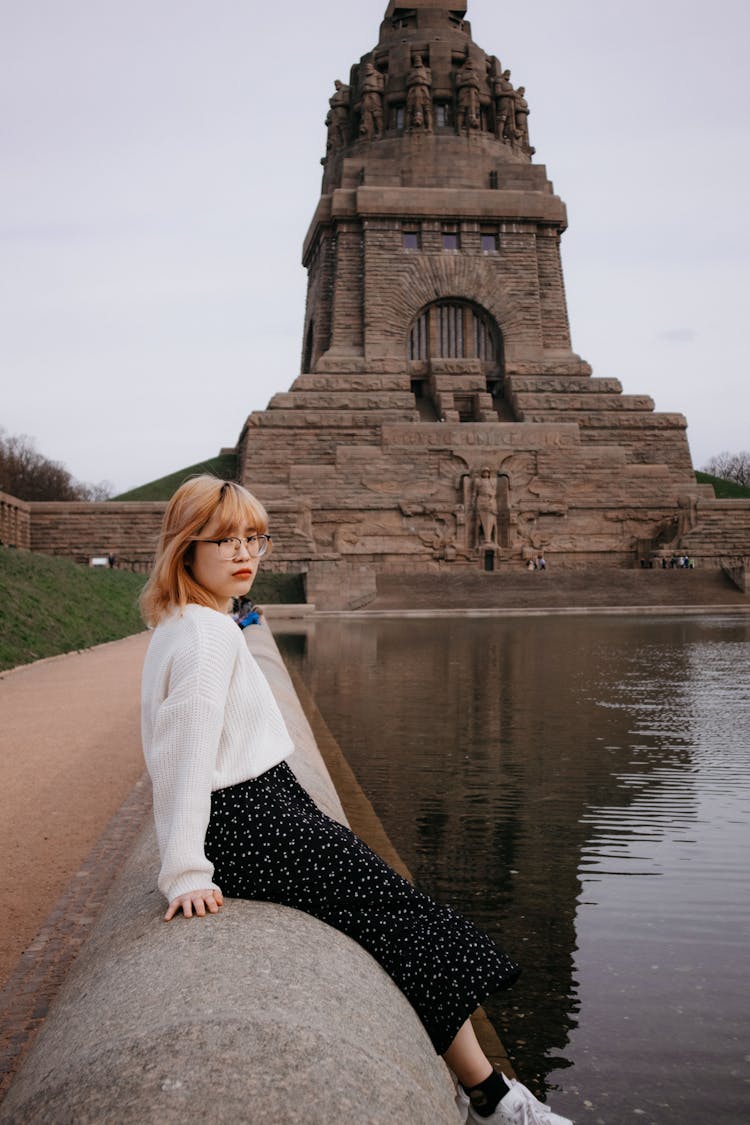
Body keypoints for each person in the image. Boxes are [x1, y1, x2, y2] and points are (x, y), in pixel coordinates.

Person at [139, 476, 572, 1125]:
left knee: (398, 915)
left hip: (259, 809)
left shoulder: (187, 622)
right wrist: (185, 870)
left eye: (253, 537)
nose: (244, 552)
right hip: (250, 820)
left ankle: (491, 1093)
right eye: (224, 539)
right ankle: (495, 1099)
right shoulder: (209, 634)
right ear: (186, 548)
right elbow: (183, 753)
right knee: (406, 920)